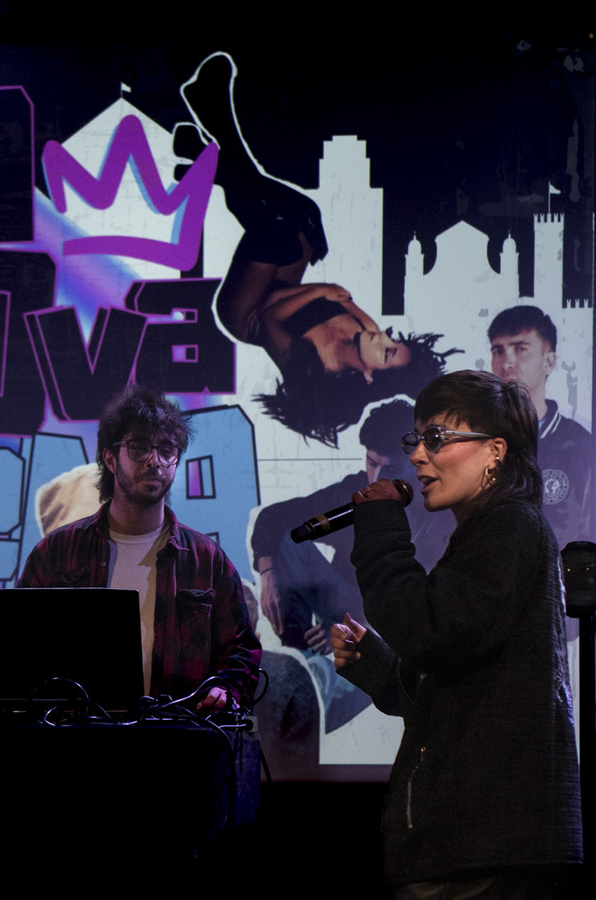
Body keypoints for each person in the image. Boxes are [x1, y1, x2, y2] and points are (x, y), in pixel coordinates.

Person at [329, 370, 581, 894]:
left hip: (488, 844)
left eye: (437, 438)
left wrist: (379, 527)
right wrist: (376, 663)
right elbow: (458, 682)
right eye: (417, 440)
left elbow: (430, 632)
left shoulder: (511, 526)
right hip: (476, 842)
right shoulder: (491, 531)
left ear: (495, 451)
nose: (419, 456)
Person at [174, 52, 457, 446]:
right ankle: (214, 155)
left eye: (387, 352)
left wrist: (320, 290)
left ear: (369, 376)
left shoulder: (314, 369)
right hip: (281, 290)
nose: (382, 337)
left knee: (272, 230)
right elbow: (335, 297)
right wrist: (320, 290)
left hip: (245, 311)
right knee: (306, 215)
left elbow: (270, 317)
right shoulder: (368, 332)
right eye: (394, 342)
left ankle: (214, 131)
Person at [17, 385, 261, 710]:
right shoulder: (56, 553)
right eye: (139, 448)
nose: (154, 461)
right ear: (110, 458)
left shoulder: (206, 559)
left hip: (176, 730)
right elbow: (18, 645)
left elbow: (241, 649)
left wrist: (226, 688)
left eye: (166, 450)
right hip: (77, 731)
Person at [251, 400, 453, 731]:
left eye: (389, 468)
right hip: (344, 603)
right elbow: (275, 517)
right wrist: (268, 574)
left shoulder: (435, 506)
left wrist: (348, 626)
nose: (376, 476)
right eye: (371, 463)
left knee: (369, 653)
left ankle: (320, 681)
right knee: (289, 539)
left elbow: (420, 605)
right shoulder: (355, 489)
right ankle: (302, 658)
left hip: (390, 625)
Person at [488, 304, 591, 548]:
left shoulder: (581, 444)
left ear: (549, 362)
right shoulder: (477, 437)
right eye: (498, 351)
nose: (507, 363)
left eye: (520, 349)